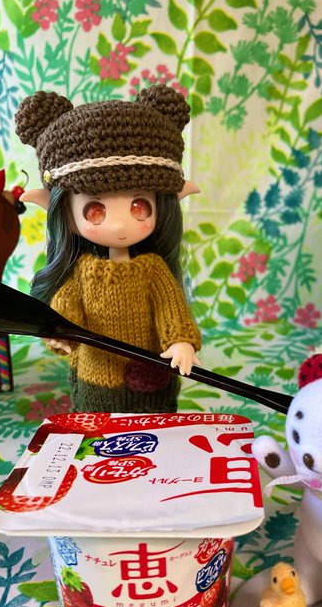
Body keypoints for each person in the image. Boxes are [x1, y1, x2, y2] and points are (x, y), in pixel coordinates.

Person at [14, 84, 202, 413]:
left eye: (139, 207)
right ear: (64, 212)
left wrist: (180, 341)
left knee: (154, 424)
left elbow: (170, 310)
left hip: (151, 381)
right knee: (99, 427)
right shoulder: (81, 274)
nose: (119, 225)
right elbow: (66, 309)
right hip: (95, 381)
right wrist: (58, 331)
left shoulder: (153, 269)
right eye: (95, 210)